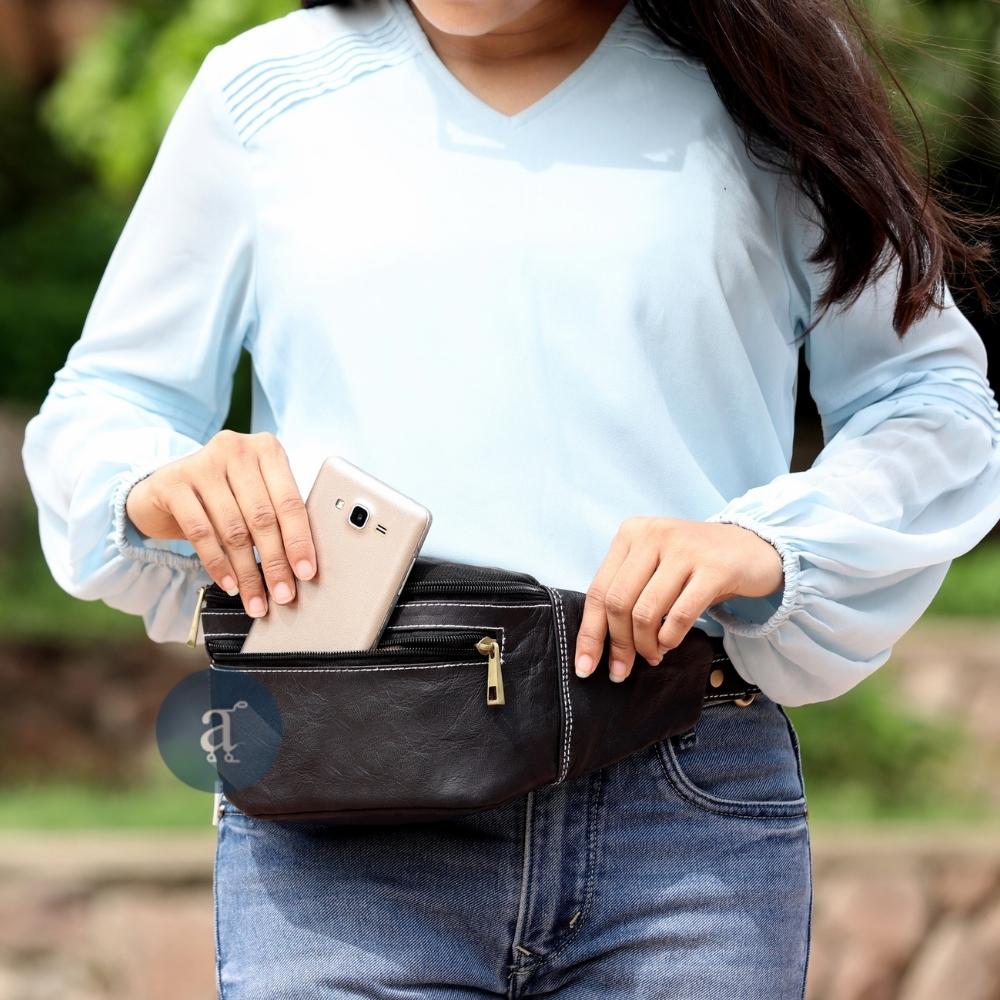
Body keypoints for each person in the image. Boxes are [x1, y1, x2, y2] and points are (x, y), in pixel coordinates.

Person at [21, 0, 1000, 996]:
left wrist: (773, 543)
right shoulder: (260, 91)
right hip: (344, 797)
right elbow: (108, 401)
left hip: (682, 803)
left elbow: (928, 398)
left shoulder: (767, 80)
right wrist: (156, 483)